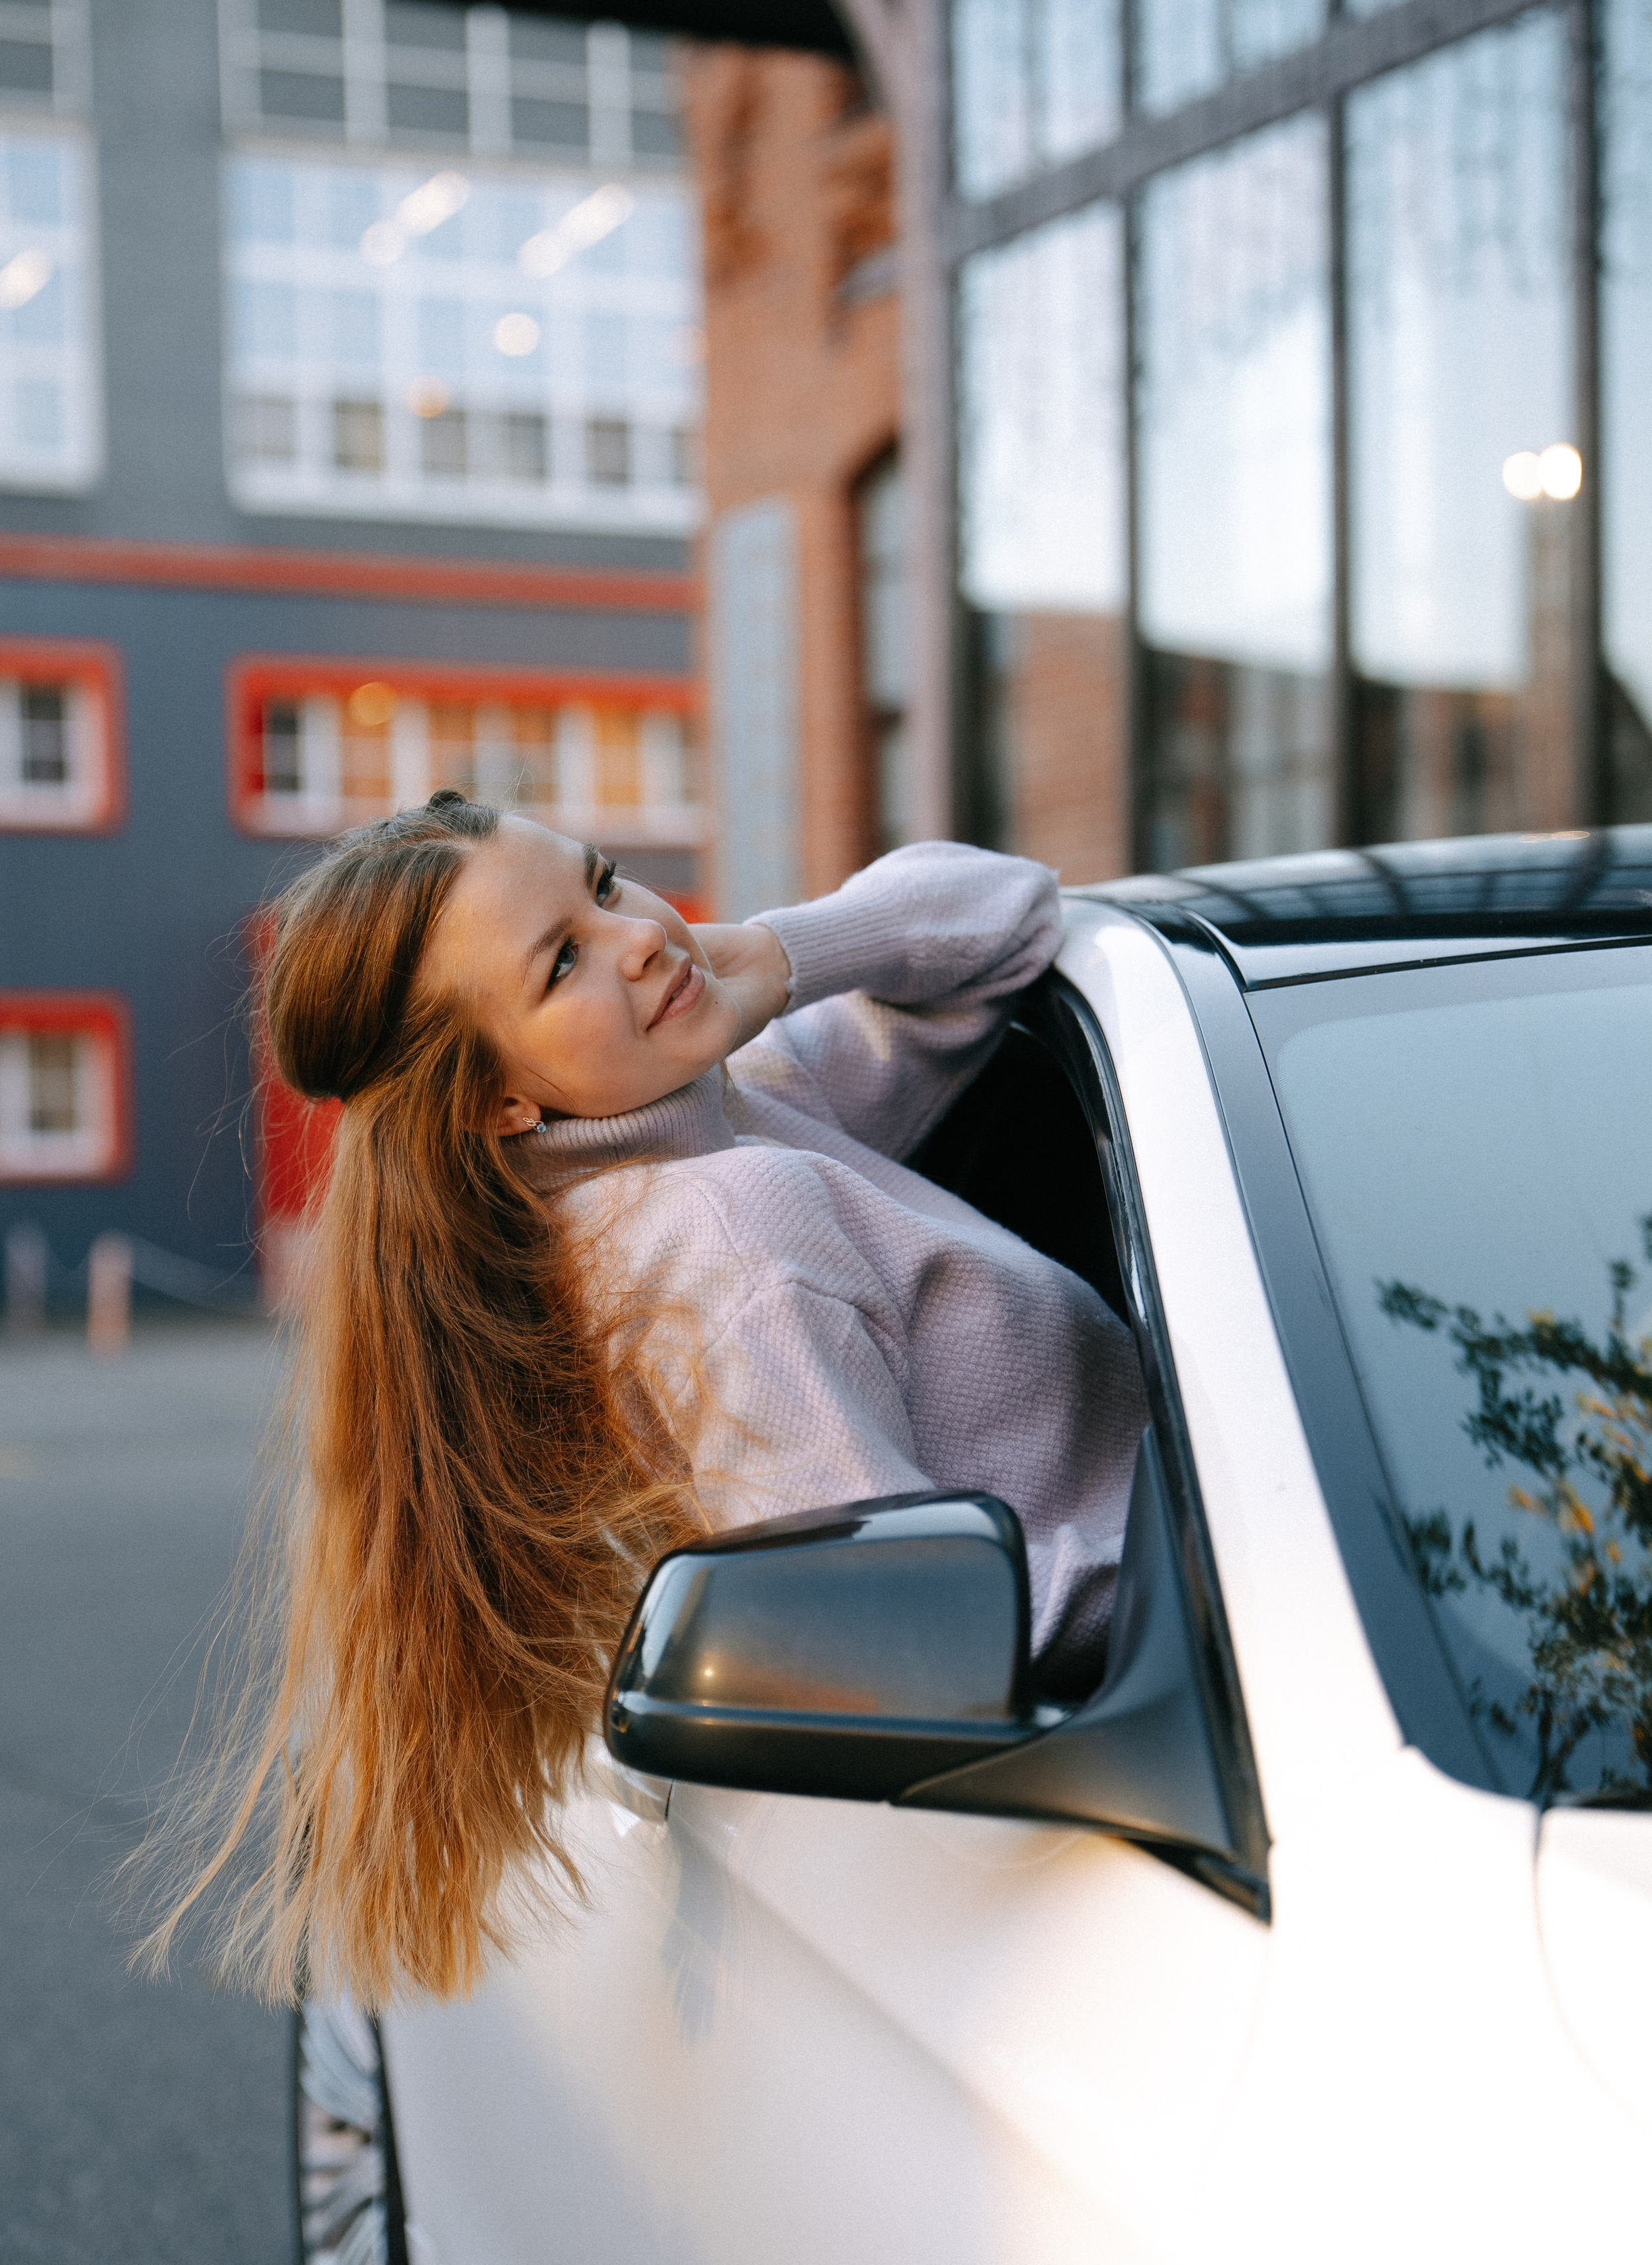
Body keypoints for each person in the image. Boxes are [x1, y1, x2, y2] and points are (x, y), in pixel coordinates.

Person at [141, 794, 1145, 2005]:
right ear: (500, 1103)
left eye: (605, 883)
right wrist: (1190, 1577)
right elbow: (908, 1654)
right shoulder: (723, 1239)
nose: (638, 936)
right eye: (563, 961)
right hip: (1136, 1741)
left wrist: (767, 960)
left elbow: (1003, 914)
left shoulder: (703, 1119)